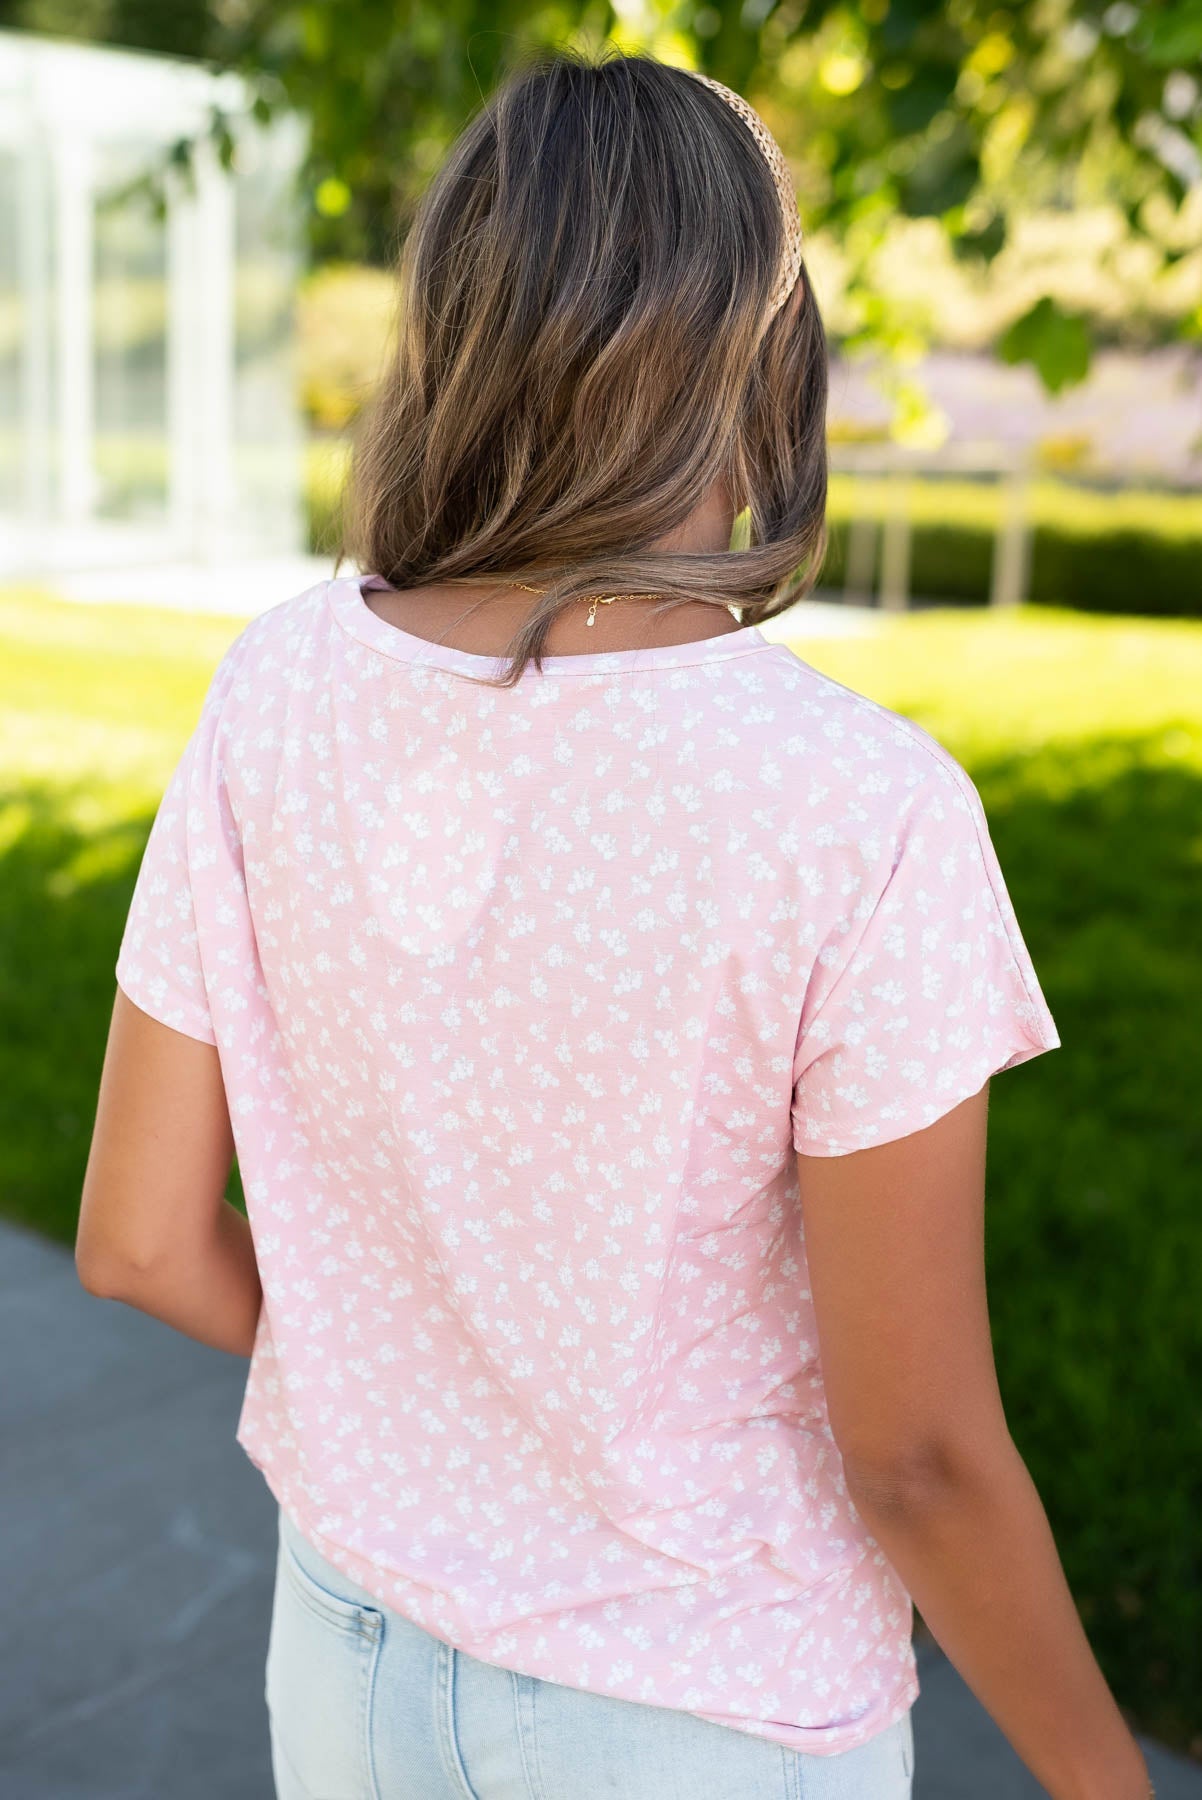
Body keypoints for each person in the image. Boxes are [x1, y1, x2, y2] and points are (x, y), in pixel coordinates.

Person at [77, 42, 1154, 1800]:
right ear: (760, 343)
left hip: (346, 1658)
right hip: (698, 1712)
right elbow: (920, 1455)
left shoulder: (274, 689)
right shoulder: (855, 806)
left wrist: (419, 1390)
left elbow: (132, 1236)